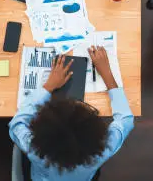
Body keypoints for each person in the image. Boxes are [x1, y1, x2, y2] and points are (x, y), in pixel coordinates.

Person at [9, 48, 134, 180]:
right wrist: (107, 74)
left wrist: (48, 87)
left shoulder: (33, 148)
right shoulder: (101, 151)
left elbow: (16, 124)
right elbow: (126, 119)